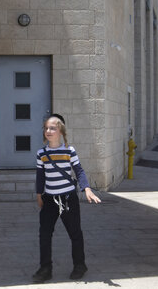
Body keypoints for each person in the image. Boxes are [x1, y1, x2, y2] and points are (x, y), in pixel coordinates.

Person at [33, 114, 101, 283]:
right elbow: (40, 176)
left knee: (75, 233)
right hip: (49, 200)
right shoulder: (41, 153)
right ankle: (45, 269)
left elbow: (79, 171)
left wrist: (87, 188)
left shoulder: (69, 151)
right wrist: (39, 194)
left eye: (52, 128)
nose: (48, 131)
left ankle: (80, 265)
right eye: (46, 128)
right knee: (44, 234)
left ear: (61, 131)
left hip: (68, 199)